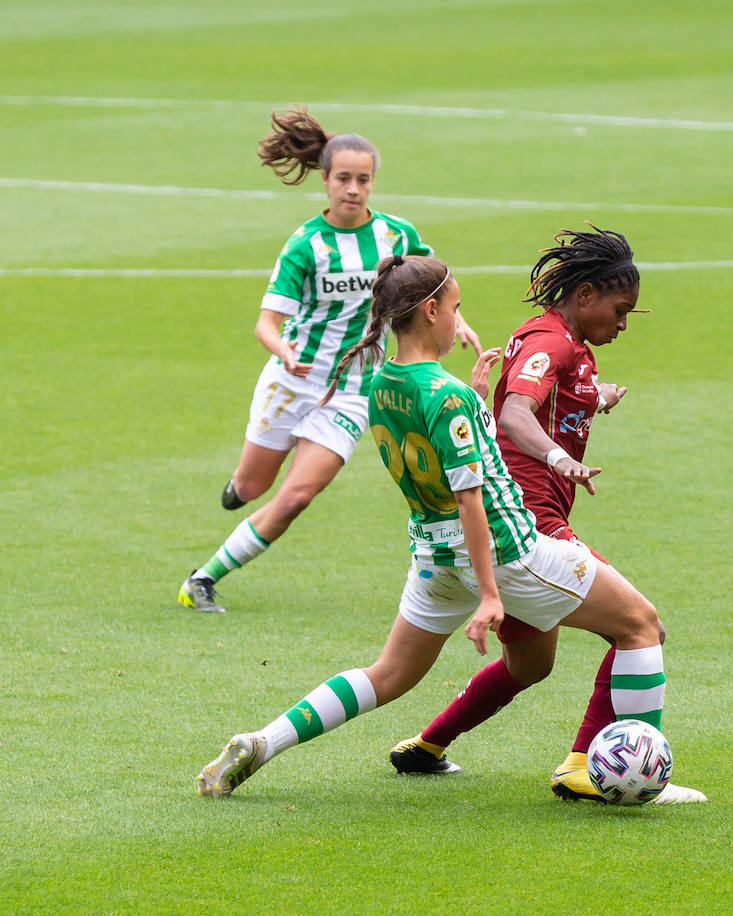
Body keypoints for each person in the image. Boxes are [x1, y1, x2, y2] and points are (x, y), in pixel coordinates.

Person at [196, 253, 689, 802]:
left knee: (384, 675)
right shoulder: (446, 394)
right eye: (457, 308)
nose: (461, 321)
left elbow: (447, 455)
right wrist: (490, 593)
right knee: (641, 625)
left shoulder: (384, 384)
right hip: (509, 552)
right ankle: (647, 775)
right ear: (430, 311)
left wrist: (478, 403)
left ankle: (262, 741)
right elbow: (472, 499)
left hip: (432, 558)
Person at [386, 227, 705, 804]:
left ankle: (427, 745)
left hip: (520, 516)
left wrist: (593, 398)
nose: (624, 323)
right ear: (585, 295)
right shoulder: (550, 343)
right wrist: (560, 457)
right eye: (620, 309)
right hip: (531, 522)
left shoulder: (561, 342)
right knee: (641, 626)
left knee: (531, 663)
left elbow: (540, 398)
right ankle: (609, 769)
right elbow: (514, 415)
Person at [177, 107, 479, 613]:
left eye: (363, 179)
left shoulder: (397, 236)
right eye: (344, 179)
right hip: (292, 380)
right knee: (254, 487)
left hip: (353, 389)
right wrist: (283, 350)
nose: (354, 189)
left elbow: (437, 283)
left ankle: (202, 580)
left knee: (295, 498)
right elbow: (266, 324)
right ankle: (239, 485)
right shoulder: (305, 246)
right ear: (325, 179)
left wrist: (459, 319)